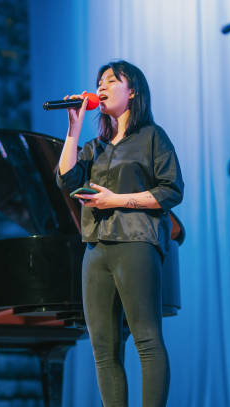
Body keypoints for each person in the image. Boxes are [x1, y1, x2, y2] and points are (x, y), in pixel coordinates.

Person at [56, 60, 184, 406]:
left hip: (136, 243)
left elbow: (172, 190)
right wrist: (73, 128)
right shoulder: (94, 147)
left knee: (146, 340)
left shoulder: (152, 137)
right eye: (99, 81)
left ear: (133, 91)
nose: (102, 85)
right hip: (96, 249)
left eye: (112, 80)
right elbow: (66, 179)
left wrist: (117, 200)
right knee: (104, 348)